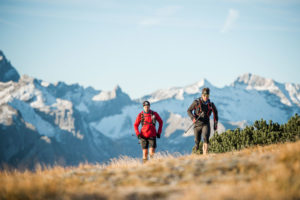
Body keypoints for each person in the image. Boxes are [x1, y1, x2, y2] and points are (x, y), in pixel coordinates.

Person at [187, 88, 218, 155]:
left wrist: (215, 124)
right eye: (204, 95)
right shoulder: (196, 102)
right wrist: (193, 118)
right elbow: (189, 110)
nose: (205, 97)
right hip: (197, 124)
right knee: (197, 141)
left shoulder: (211, 105)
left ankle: (205, 155)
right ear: (202, 95)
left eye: (207, 95)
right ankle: (196, 150)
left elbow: (215, 114)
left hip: (205, 124)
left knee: (205, 139)